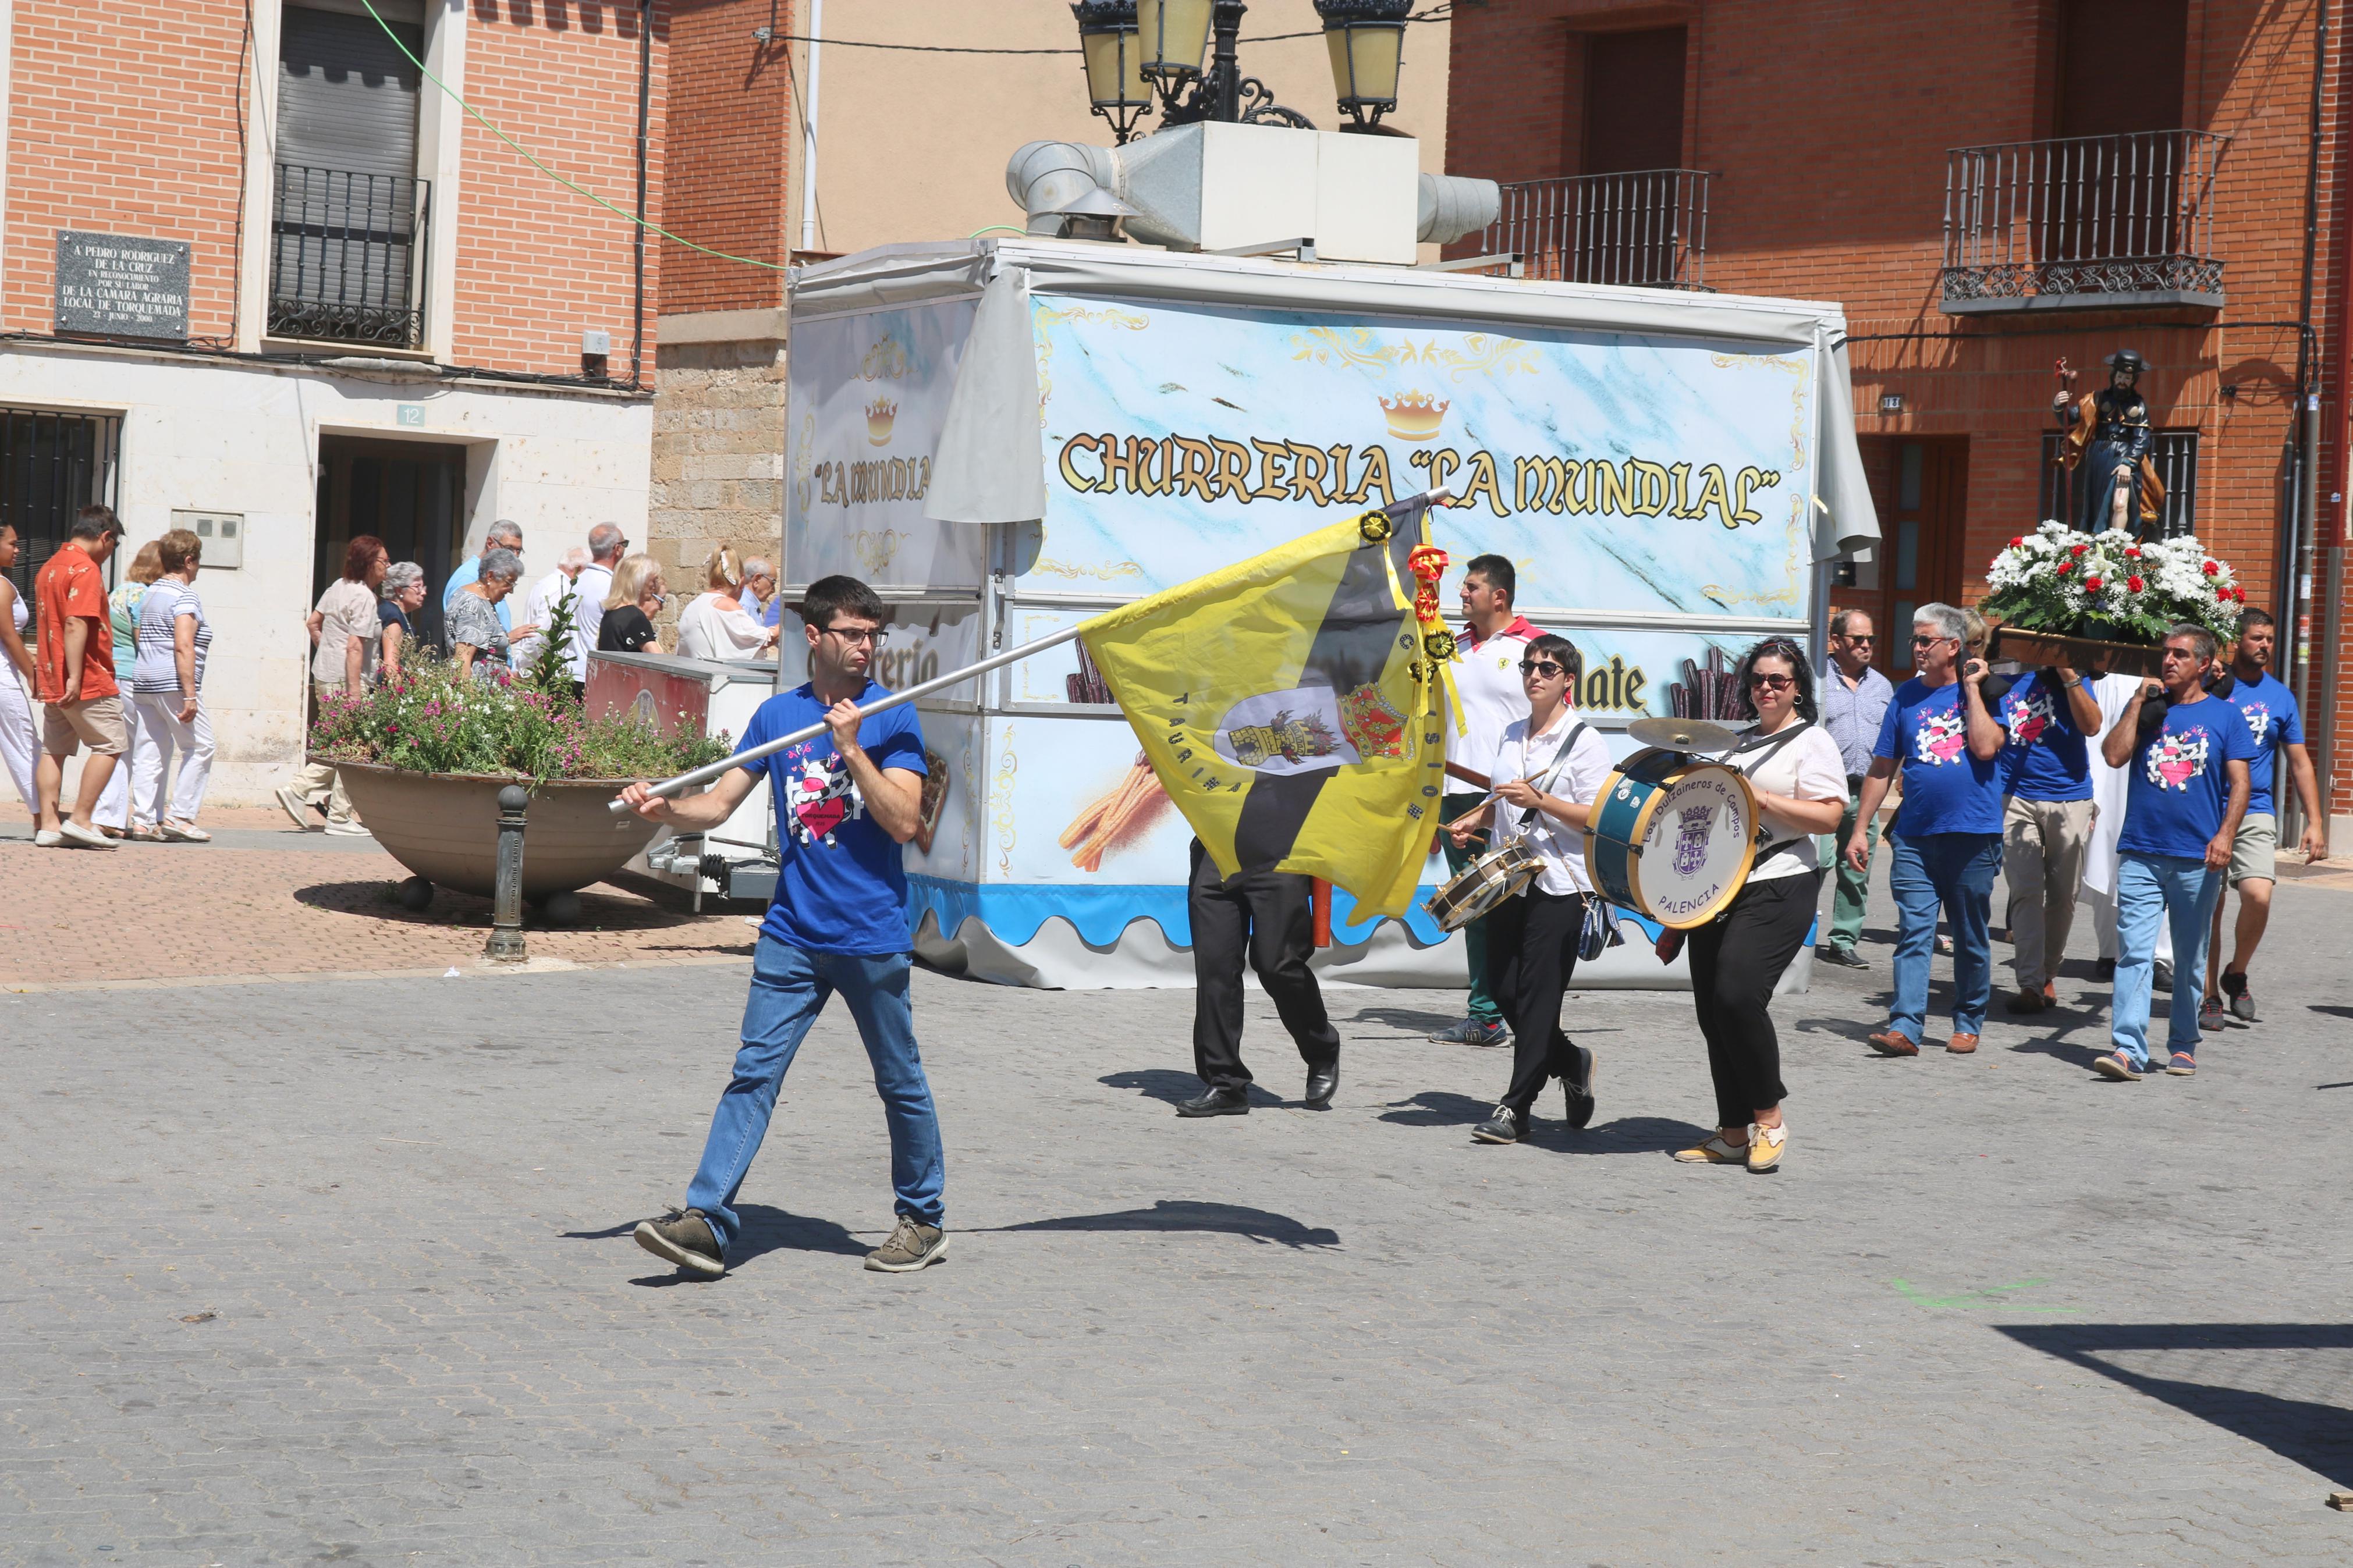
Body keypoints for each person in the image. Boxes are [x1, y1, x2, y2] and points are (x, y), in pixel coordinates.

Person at [624, 575, 946, 1278]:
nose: (867, 646)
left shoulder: (893, 717)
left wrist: (855, 749)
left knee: (898, 1080)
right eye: (853, 633)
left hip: (870, 935)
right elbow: (716, 806)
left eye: (873, 634)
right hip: (792, 933)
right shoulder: (777, 717)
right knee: (753, 1075)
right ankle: (707, 1220)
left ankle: (922, 1218)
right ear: (816, 636)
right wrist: (664, 811)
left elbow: (902, 822)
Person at [1668, 639, 1848, 1172]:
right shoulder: (1734, 744)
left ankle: (1768, 1119)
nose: (1766, 688)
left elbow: (1829, 817)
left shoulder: (1812, 742)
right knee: (1711, 1010)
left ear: (1798, 688)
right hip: (1721, 887)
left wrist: (1763, 798)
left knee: (1737, 994)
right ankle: (1730, 1132)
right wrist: (1675, 915)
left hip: (1782, 880)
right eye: (1758, 680)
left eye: (1778, 680)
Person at [1450, 633, 1613, 1146]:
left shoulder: (1584, 740)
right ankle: (1569, 1060)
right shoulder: (1511, 732)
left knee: (1539, 997)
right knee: (1501, 989)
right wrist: (1476, 814)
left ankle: (1515, 1106)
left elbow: (1595, 816)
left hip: (1560, 884)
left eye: (1547, 668)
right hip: (1507, 879)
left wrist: (1540, 799)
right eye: (1528, 666)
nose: (1534, 675)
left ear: (1568, 679)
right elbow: (1503, 797)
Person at [2093, 624, 2255, 1080]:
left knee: (2189, 955)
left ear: (2203, 664)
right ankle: (2127, 1048)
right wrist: (2137, 705)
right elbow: (2112, 755)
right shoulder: (2148, 712)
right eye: (2165, 654)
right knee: (2134, 954)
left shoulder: (2225, 717)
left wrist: (2225, 836)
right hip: (2141, 850)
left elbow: (2240, 784)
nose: (2168, 661)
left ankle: (2183, 1041)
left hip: (2196, 858)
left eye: (2180, 655)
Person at [1847, 603, 2008, 1057]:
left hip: (1972, 835)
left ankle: (1968, 1018)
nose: (1916, 648)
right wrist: (1861, 828)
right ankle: (1904, 1026)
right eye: (1914, 640)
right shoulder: (1904, 696)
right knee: (1914, 932)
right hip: (1914, 836)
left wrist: (1972, 689)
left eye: (1925, 640)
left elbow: (1983, 747)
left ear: (1953, 647)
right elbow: (1882, 767)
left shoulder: (1992, 692)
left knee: (1970, 936)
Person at [1428, 553, 1542, 1048]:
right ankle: (1492, 1012)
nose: (1461, 593)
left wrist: (1520, 790)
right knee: (1477, 905)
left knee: (1504, 905)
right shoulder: (1450, 647)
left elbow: (1556, 726)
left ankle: (1497, 1013)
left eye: (1471, 586)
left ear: (1499, 596)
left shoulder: (1535, 648)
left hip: (1507, 796)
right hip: (1455, 793)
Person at [2199, 609, 2327, 1030]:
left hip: (2254, 809)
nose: (2265, 646)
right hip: (2206, 808)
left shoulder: (2279, 696)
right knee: (2208, 908)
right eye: (2257, 638)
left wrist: (2315, 821)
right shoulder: (2213, 688)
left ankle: (2235, 972)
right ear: (2237, 641)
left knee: (2257, 895)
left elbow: (2299, 762)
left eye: (2270, 639)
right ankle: (2208, 995)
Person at [1174, 841, 1343, 1117]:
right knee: (1216, 968)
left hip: (1282, 847)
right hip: (1216, 846)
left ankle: (1321, 1047)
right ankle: (1227, 1085)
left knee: (1277, 965)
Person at [1996, 649, 2104, 1014]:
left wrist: (2068, 672)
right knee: (2026, 891)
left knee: (2063, 895)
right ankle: (2029, 983)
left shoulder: (2074, 678)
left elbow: (2092, 726)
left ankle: (2047, 972)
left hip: (2069, 798)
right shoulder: (2002, 680)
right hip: (2016, 798)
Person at [275, 535, 386, 835]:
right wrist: (354, 693)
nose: (387, 567)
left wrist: (326, 650)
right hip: (347, 681)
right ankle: (335, 813)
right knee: (355, 750)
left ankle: (304, 794)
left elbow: (313, 622)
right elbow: (354, 648)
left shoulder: (337, 586)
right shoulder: (364, 597)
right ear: (368, 563)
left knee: (342, 746)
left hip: (325, 676)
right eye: (383, 561)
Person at [32, 504, 127, 849]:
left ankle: (49, 825)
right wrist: (75, 676)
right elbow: (75, 623)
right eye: (113, 545)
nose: (109, 553)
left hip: (52, 674)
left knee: (53, 749)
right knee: (110, 744)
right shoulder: (85, 569)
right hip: (86, 675)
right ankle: (83, 818)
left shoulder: (49, 566)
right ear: (105, 537)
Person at [2081, 665, 2174, 988]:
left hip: (2157, 766)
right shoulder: (2104, 672)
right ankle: (2109, 949)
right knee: (2106, 851)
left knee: (2157, 858)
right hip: (2108, 765)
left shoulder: (2167, 667)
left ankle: (2160, 956)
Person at [127, 528, 216, 841]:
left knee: (151, 748)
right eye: (198, 561)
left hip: (144, 680)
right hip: (172, 682)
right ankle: (180, 815)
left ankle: (143, 820)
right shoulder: (185, 595)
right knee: (201, 745)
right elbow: (183, 645)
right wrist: (189, 694)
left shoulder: (151, 593)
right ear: (189, 561)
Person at [1817, 609, 1893, 969]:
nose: (1866, 645)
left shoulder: (1881, 686)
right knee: (1814, 864)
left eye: (1871, 640)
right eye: (1858, 639)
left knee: (1857, 869)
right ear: (1836, 641)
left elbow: (1892, 741)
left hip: (1866, 792)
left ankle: (1843, 940)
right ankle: (1794, 937)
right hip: (1822, 790)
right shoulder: (1816, 680)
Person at [93, 542, 163, 838]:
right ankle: (145, 817)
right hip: (137, 679)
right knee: (147, 747)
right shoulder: (145, 596)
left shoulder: (119, 592)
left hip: (113, 675)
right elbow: (142, 641)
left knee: (118, 748)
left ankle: (108, 816)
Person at [0, 523, 42, 823]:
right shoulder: (1, 586)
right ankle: (45, 815)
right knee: (25, 743)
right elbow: (8, 635)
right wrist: (31, 674)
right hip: (2, 676)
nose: (18, 550)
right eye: (13, 544)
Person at [676, 546, 780, 662]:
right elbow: (761, 639)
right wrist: (787, 624)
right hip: (716, 677)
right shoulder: (725, 604)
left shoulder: (694, 604)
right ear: (741, 581)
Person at [445, 547, 534, 681]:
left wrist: (498, 667)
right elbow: (463, 661)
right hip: (477, 694)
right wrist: (466, 698)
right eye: (509, 582)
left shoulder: (483, 600)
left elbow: (482, 650)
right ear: (490, 576)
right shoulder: (473, 604)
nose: (511, 591)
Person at [513, 546, 589, 672]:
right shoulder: (561, 589)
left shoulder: (544, 583)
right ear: (578, 569)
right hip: (538, 668)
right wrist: (524, 666)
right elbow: (542, 634)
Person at [443, 520, 524, 632]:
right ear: (490, 543)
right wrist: (509, 638)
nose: (515, 555)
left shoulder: (496, 576)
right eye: (509, 548)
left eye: (518, 550)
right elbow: (465, 636)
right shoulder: (468, 577)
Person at [572, 524, 626, 666]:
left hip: (570, 669)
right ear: (617, 549)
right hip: (595, 668)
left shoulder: (574, 582)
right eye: (625, 544)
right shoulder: (613, 586)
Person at [597, 554, 668, 653]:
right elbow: (658, 659)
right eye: (653, 580)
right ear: (640, 581)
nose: (655, 587)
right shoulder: (634, 616)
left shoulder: (611, 613)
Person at [378, 562, 428, 682]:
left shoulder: (398, 614)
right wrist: (400, 695)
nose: (423, 592)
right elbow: (391, 664)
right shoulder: (392, 615)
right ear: (399, 590)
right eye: (417, 587)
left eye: (423, 587)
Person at [740, 556, 778, 624]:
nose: (773, 590)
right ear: (757, 580)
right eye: (773, 583)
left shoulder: (749, 604)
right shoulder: (746, 607)